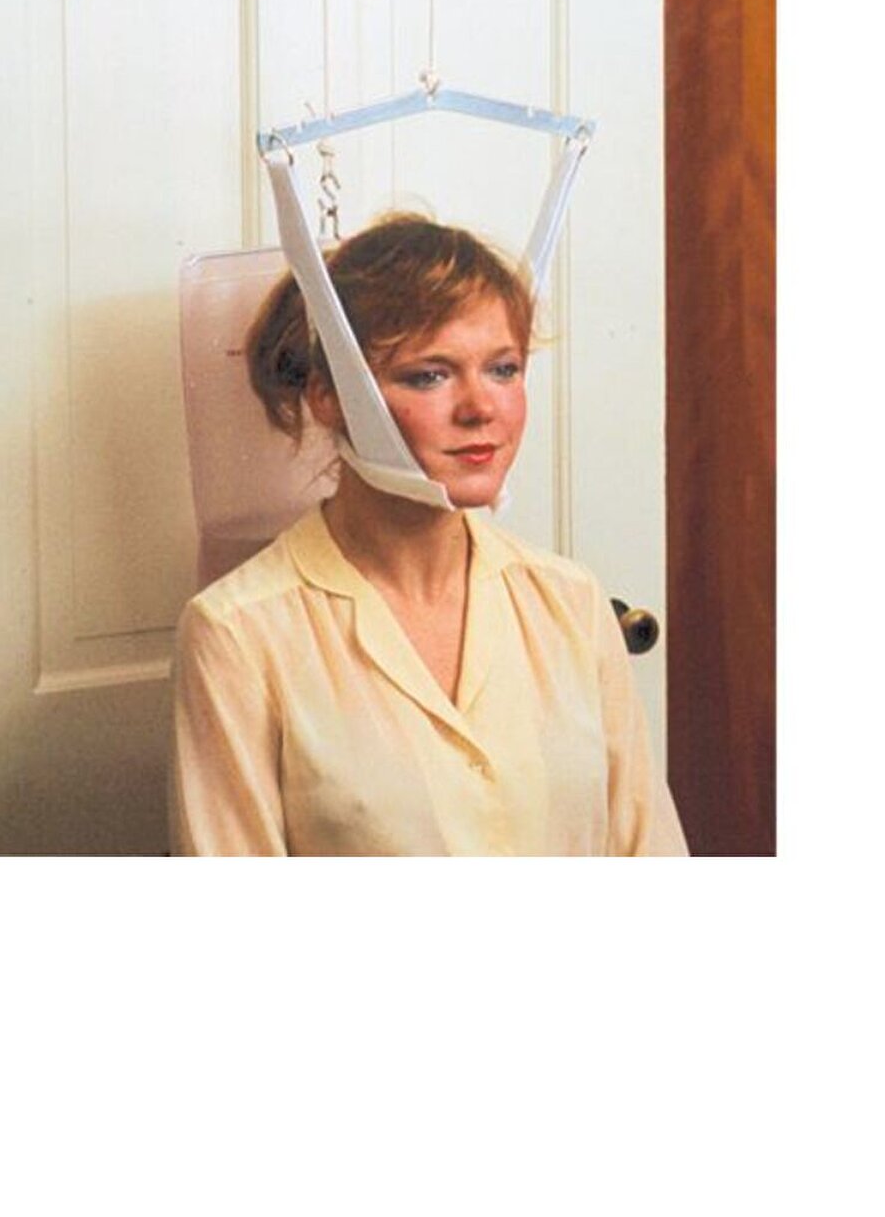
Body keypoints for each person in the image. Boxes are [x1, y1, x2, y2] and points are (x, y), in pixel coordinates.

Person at [169, 212, 688, 856]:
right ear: (328, 396)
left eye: (503, 369)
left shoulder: (571, 601)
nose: (481, 408)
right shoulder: (238, 633)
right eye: (429, 375)